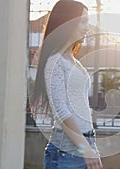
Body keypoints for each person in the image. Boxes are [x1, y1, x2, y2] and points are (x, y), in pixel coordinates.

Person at [31, 1, 103, 169]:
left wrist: (91, 147)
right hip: (66, 152)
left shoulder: (73, 62)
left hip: (85, 141)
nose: (87, 28)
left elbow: (81, 107)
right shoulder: (54, 61)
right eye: (83, 21)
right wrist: (85, 149)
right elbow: (61, 111)